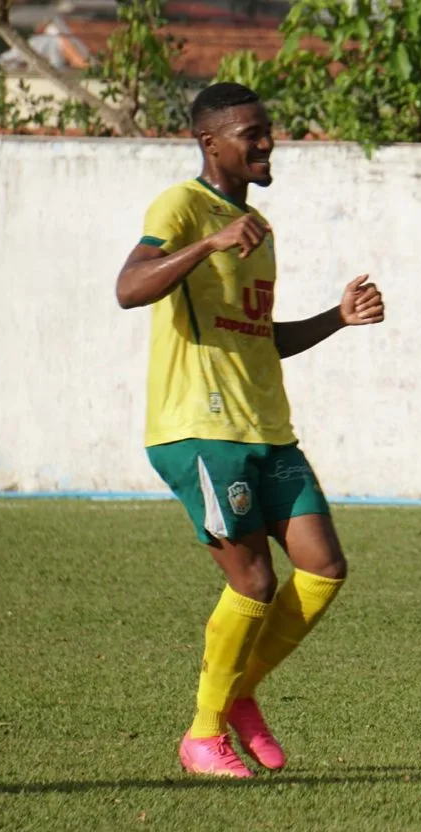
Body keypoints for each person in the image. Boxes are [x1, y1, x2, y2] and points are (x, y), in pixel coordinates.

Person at [115, 82, 386, 778]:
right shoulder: (183, 207)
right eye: (251, 133)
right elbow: (129, 287)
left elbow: (258, 337)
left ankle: (237, 692)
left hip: (266, 426)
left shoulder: (256, 226)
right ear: (210, 143)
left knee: (324, 567)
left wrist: (336, 318)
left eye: (268, 131)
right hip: (199, 428)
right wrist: (207, 243)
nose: (267, 143)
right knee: (256, 582)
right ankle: (203, 736)